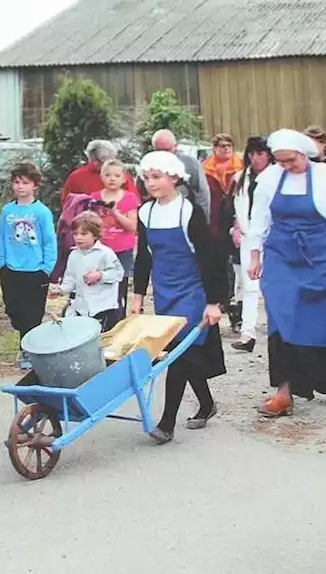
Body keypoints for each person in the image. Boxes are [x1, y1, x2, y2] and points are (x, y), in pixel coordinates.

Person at [247, 129, 326, 418]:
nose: (286, 166)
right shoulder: (268, 180)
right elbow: (259, 218)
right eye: (280, 162)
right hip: (281, 255)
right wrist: (255, 254)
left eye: (290, 160)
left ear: (304, 154)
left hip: (321, 256)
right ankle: (284, 392)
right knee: (281, 319)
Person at [130, 151, 226, 443]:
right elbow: (144, 258)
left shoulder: (188, 211)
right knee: (185, 351)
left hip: (192, 291)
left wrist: (213, 302)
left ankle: (167, 423)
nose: (150, 183)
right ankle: (207, 404)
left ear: (174, 178)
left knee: (177, 354)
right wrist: (137, 296)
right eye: (147, 178)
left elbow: (209, 259)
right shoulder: (145, 212)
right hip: (164, 291)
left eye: (156, 177)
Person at [0, 162, 58, 370]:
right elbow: (2, 238)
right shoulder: (7, 211)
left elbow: (49, 241)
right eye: (16, 182)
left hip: (35, 270)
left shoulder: (41, 212)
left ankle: (28, 350)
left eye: (25, 183)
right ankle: (25, 339)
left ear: (34, 185)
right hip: (11, 269)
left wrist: (46, 269)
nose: (20, 187)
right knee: (13, 309)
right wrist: (2, 263)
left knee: (32, 313)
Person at [229, 136, 272, 352]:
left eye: (260, 154)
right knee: (249, 286)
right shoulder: (240, 178)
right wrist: (235, 226)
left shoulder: (277, 177)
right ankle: (248, 333)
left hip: (272, 239)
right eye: (252, 154)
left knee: (273, 287)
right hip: (248, 236)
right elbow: (234, 207)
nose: (256, 158)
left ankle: (279, 330)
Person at [52, 212, 124, 331]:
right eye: (75, 234)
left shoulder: (105, 253)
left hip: (103, 307)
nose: (78, 237)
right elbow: (70, 279)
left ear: (95, 235)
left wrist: (100, 275)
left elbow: (118, 273)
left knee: (101, 338)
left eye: (84, 234)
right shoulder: (73, 255)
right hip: (81, 307)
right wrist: (60, 290)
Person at [202, 133, 244, 327]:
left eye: (229, 145)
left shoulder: (242, 166)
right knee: (220, 266)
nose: (226, 149)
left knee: (239, 268)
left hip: (237, 221)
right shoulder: (205, 169)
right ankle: (223, 302)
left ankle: (238, 311)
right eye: (222, 146)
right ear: (214, 148)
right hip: (215, 222)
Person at [90, 159, 140, 317]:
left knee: (119, 290)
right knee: (100, 287)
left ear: (124, 178)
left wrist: (115, 212)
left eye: (116, 175)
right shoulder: (94, 198)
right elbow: (90, 224)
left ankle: (118, 319)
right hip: (100, 251)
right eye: (108, 175)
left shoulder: (130, 198)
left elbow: (133, 226)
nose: (112, 178)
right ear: (101, 177)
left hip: (122, 251)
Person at [152, 129, 212, 218]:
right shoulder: (149, 163)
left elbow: (202, 193)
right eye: (159, 150)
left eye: (167, 150)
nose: (164, 154)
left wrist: (202, 219)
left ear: (176, 146)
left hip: (185, 215)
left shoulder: (189, 163)